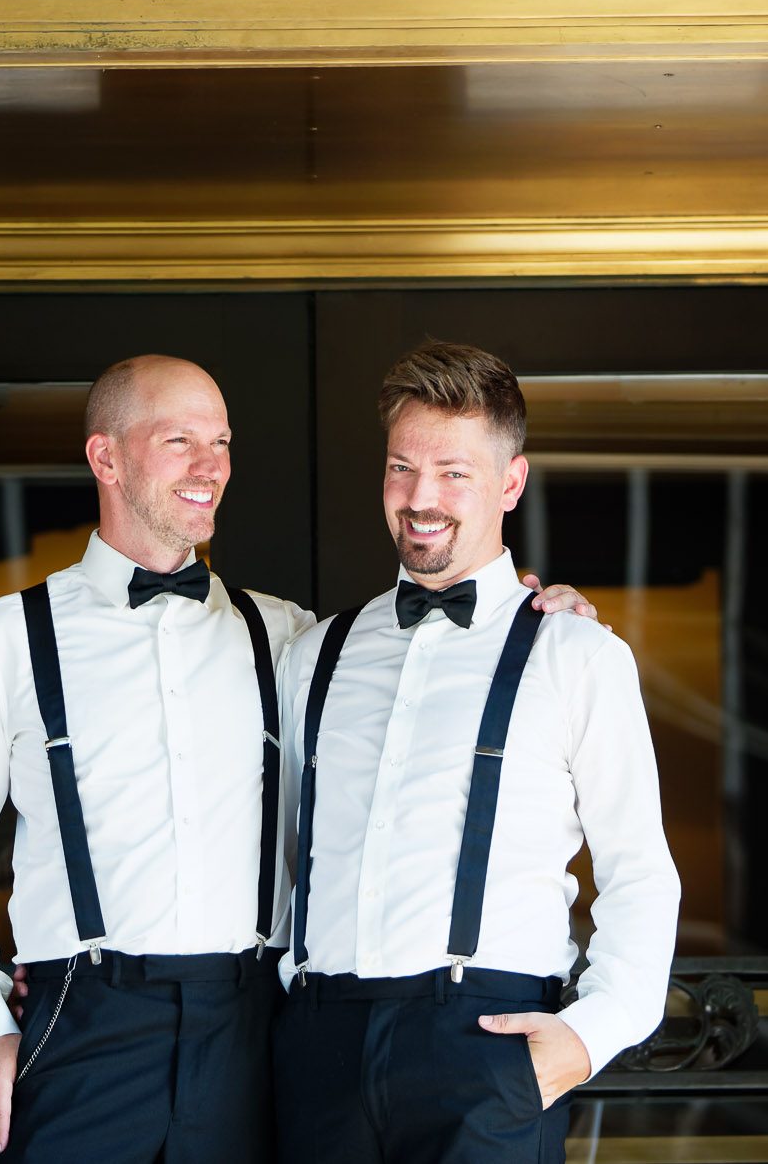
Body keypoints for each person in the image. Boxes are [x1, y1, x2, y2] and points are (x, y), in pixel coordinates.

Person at [0, 354, 596, 1164]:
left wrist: (534, 610)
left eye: (222, 442)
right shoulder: (6, 638)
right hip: (81, 1025)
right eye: (180, 441)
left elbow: (418, 694)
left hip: (253, 1032)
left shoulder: (288, 638)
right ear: (106, 458)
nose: (210, 466)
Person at [274, 341, 681, 1164]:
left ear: (510, 482)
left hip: (486, 1045)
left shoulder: (576, 653)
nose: (420, 497)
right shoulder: (314, 654)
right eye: (401, 467)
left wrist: (588, 1036)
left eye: (453, 472)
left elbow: (640, 871)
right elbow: (283, 858)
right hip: (320, 1051)